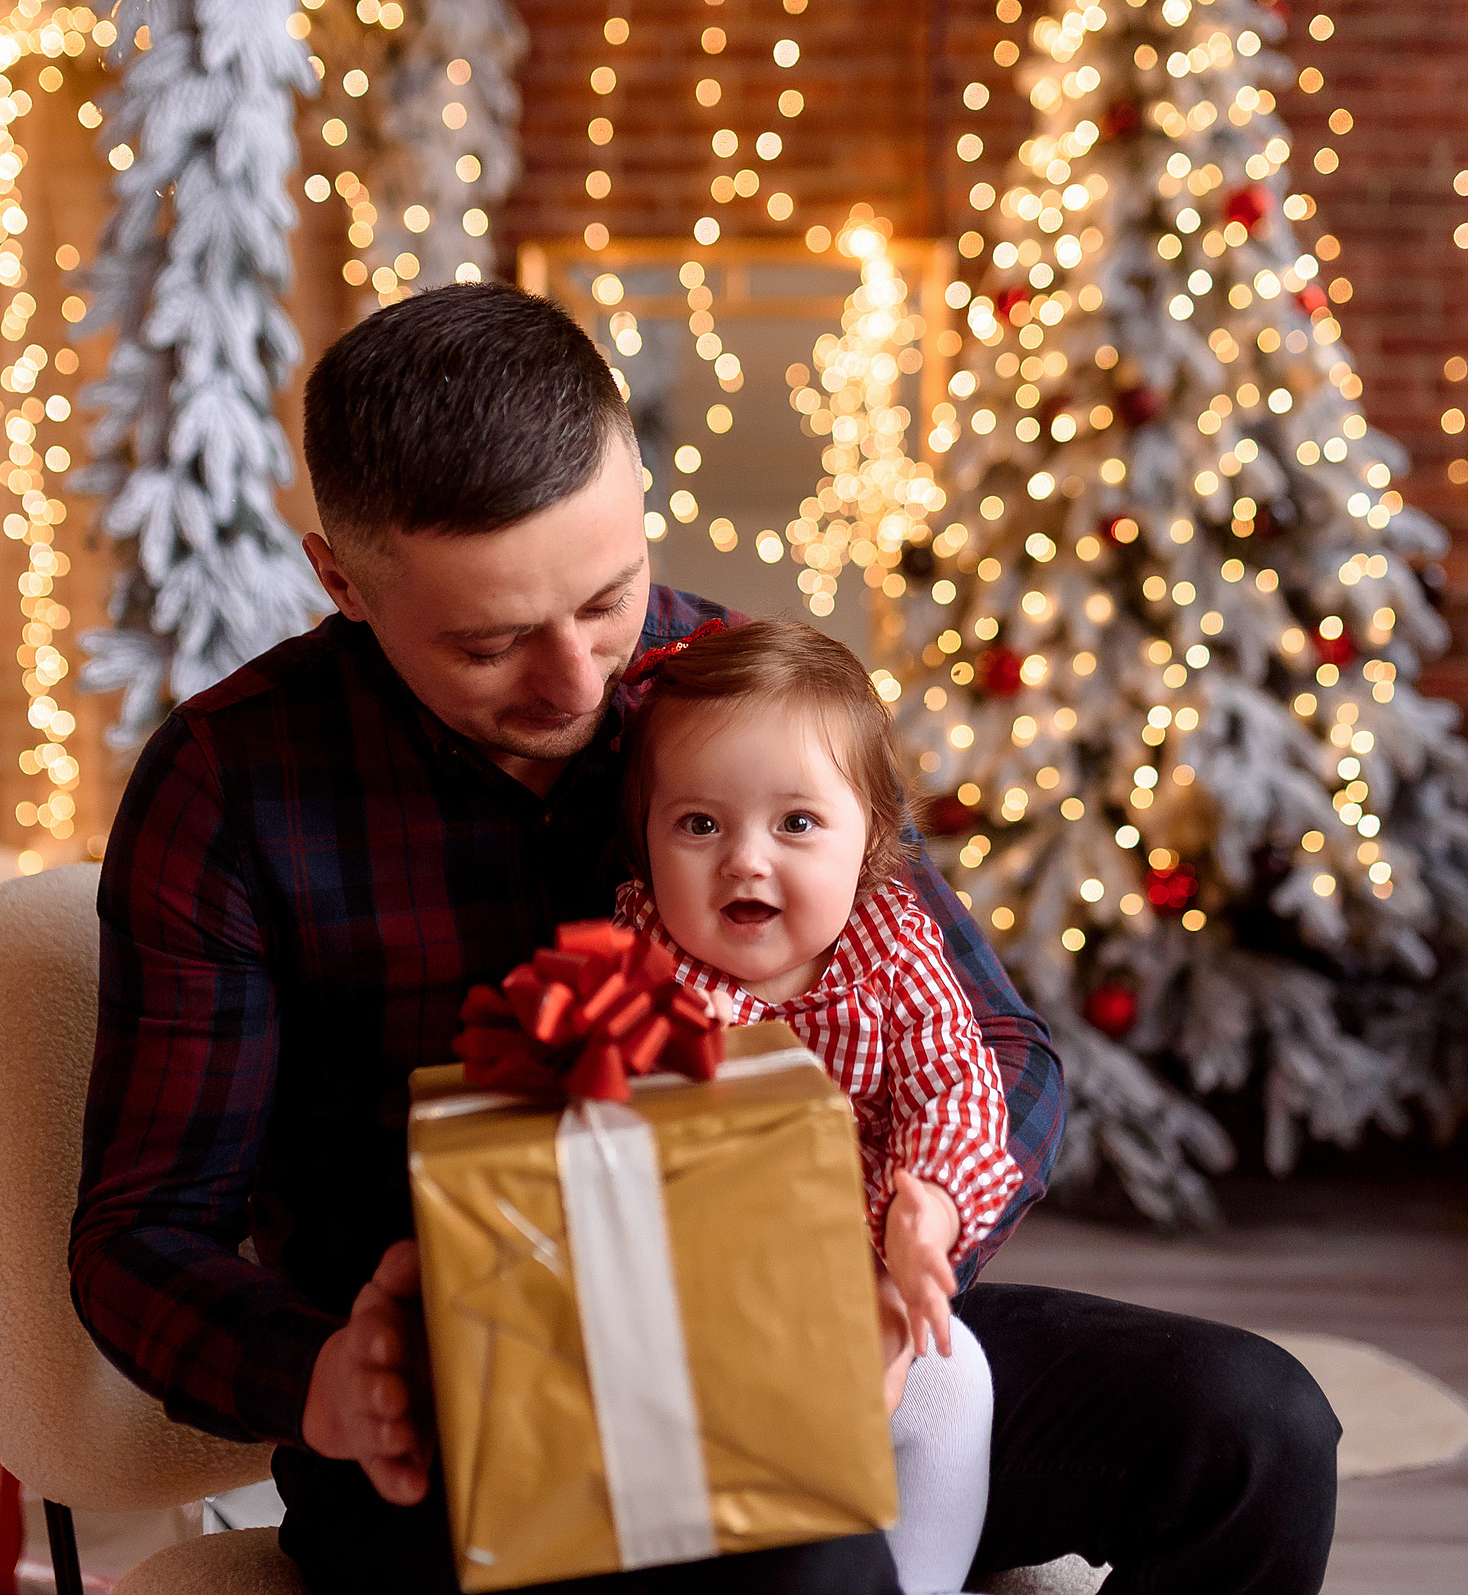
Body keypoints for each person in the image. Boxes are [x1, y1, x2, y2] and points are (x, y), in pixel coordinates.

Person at [71, 281, 1339, 1595]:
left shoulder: (735, 690)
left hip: (814, 1302)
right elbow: (139, 1233)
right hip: (470, 1415)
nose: (580, 683)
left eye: (607, 597)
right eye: (493, 640)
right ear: (340, 576)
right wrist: (324, 1374)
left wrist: (914, 1232)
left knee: (1257, 1428)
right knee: (813, 1554)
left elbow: (999, 1044)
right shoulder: (232, 784)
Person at [614, 617, 1014, 1595]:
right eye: (699, 824)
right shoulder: (640, 958)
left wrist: (927, 1206)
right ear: (647, 838)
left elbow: (955, 1084)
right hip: (695, 1312)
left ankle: (919, 1580)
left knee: (955, 1379)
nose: (745, 860)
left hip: (863, 1283)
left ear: (872, 836)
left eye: (795, 823)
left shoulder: (894, 946)